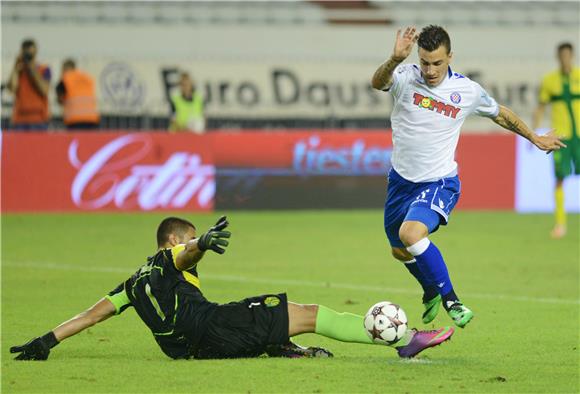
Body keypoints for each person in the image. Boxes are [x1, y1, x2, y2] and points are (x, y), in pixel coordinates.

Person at [10, 216, 454, 361]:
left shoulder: (132, 283)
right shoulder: (170, 257)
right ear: (172, 240)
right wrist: (201, 243)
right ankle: (405, 340)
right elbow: (186, 255)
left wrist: (47, 340)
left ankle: (277, 345)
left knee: (266, 323)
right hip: (211, 328)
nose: (186, 245)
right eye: (184, 238)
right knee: (310, 312)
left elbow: (92, 315)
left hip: (191, 349)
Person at [371, 26, 565, 329]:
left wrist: (534, 137)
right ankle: (430, 289)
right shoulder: (406, 77)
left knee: (411, 235)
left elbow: (501, 114)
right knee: (398, 249)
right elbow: (378, 82)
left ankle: (453, 301)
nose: (430, 70)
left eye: (437, 63)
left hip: (439, 182)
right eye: (424, 62)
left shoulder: (466, 91)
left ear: (450, 57)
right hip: (400, 182)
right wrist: (394, 59)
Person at [532, 42, 580, 239]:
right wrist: (533, 133)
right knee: (560, 178)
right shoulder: (550, 81)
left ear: (573, 56)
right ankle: (560, 224)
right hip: (562, 137)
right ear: (558, 57)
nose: (565, 59)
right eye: (562, 56)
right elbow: (541, 106)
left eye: (568, 56)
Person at [6, 38, 51, 130]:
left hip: (38, 118)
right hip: (19, 119)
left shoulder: (44, 69)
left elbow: (44, 90)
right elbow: (12, 89)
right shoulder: (19, 70)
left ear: (36, 52)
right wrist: (15, 68)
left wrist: (32, 67)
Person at [56, 58, 100, 130]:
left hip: (74, 120)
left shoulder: (65, 79)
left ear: (65, 68)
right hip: (91, 119)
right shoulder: (87, 78)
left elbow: (60, 99)